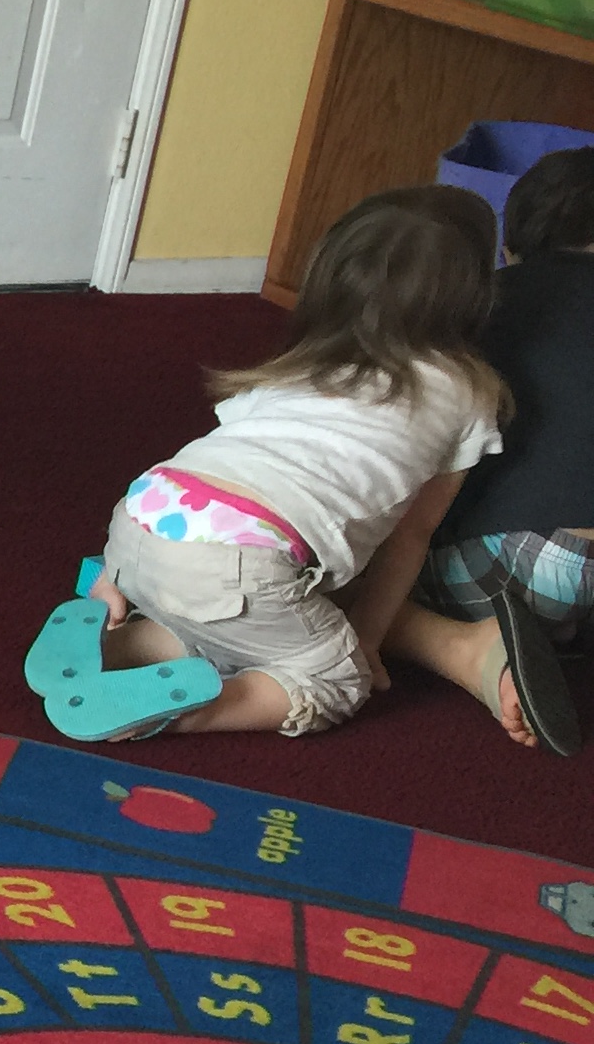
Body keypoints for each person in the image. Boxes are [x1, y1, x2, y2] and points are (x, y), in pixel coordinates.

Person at [32, 185, 509, 742]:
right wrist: (365, 643)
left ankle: (115, 638)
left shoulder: (297, 366)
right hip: (244, 560)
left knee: (227, 615)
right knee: (336, 679)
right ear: (473, 296)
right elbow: (412, 534)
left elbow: (228, 460)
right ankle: (178, 714)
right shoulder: (467, 392)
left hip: (142, 514)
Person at [380, 149, 594, 756]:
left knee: (320, 569)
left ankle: (461, 647)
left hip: (538, 555)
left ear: (508, 250)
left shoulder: (483, 303)